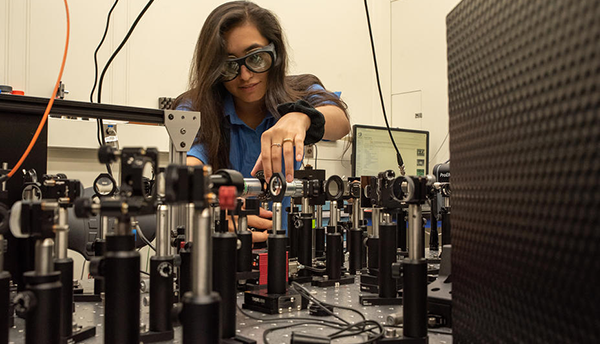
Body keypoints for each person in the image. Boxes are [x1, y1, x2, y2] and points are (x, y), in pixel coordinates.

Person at [174, 1, 350, 243]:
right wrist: (216, 211)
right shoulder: (194, 108)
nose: (245, 76)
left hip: (285, 251)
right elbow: (189, 169)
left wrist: (300, 117)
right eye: (229, 65)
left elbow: (340, 122)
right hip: (220, 251)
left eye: (256, 58)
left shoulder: (300, 90)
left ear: (275, 53)